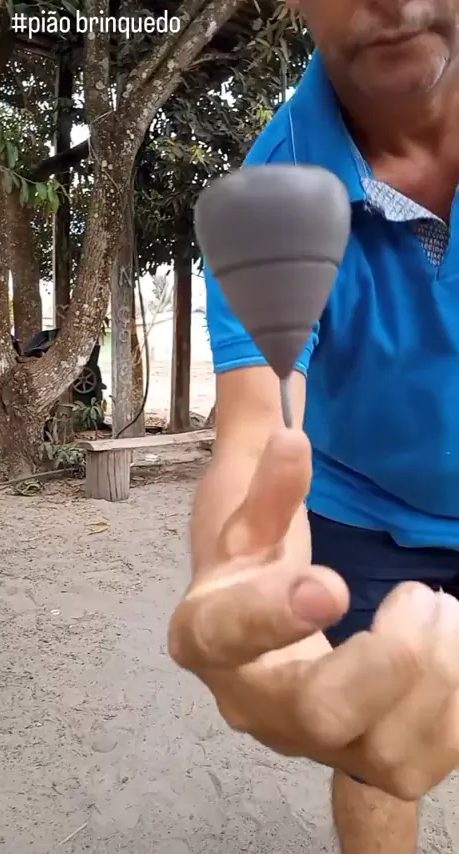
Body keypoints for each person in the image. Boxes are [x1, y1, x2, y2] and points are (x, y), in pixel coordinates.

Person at [167, 1, 459, 852]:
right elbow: (254, 429)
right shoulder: (271, 193)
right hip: (364, 513)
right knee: (373, 743)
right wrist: (237, 569)